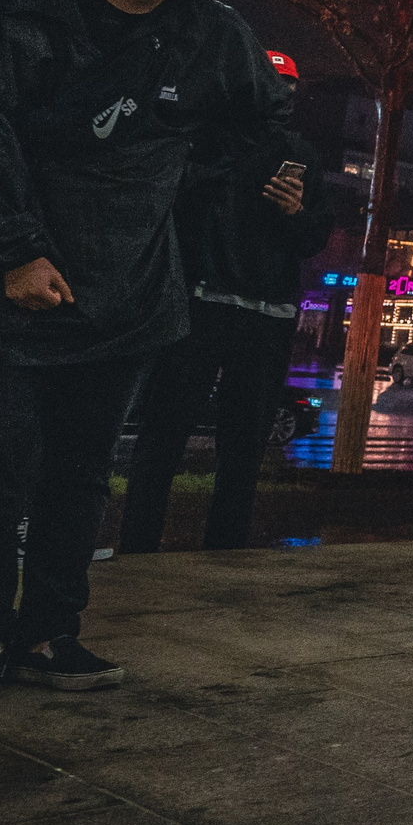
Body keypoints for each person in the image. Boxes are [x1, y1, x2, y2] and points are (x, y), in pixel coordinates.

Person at [0, 0, 290, 701]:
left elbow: (269, 123)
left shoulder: (212, 33)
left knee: (83, 474)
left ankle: (53, 632)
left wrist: (179, 172)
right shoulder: (36, 1)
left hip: (129, 293)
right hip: (11, 284)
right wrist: (15, 250)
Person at [121, 49, 334, 553]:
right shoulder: (205, 138)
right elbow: (169, 206)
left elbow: (316, 234)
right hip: (201, 304)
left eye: (290, 85)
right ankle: (137, 550)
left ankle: (225, 554)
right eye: (272, 82)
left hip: (267, 314)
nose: (281, 93)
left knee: (243, 448)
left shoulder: (300, 152)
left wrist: (296, 211)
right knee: (164, 434)